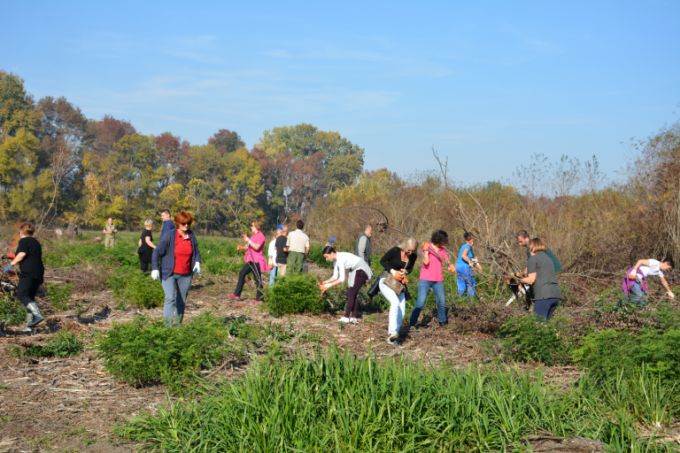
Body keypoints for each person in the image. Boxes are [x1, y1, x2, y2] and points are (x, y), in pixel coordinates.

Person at [151, 211, 201, 325]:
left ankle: (178, 327)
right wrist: (154, 268)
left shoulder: (191, 235)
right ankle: (167, 329)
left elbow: (196, 251)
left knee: (181, 301)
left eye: (188, 223)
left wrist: (197, 262)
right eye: (184, 223)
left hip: (186, 274)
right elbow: (157, 251)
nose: (186, 226)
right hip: (169, 273)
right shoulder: (170, 235)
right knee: (170, 298)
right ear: (178, 223)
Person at [3, 223, 45, 332]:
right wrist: (9, 256)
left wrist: (11, 264)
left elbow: (21, 254)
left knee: (22, 295)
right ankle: (29, 326)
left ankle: (37, 315)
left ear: (21, 232)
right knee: (30, 298)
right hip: (38, 272)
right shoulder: (36, 242)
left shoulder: (23, 241)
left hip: (28, 272)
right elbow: (28, 255)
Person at [379, 238, 418, 346]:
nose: (410, 253)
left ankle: (394, 338)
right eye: (408, 250)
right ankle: (392, 333)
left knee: (402, 310)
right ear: (405, 246)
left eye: (413, 251)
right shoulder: (395, 250)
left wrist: (406, 271)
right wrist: (393, 271)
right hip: (386, 281)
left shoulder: (413, 256)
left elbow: (410, 269)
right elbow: (382, 261)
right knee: (395, 303)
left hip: (399, 285)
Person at [410, 230, 453, 328]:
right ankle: (412, 322)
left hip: (438, 279)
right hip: (425, 279)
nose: (444, 242)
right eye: (443, 240)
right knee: (421, 302)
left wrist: (450, 265)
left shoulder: (442, 250)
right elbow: (426, 262)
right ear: (439, 239)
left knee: (441, 301)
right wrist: (425, 251)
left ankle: (442, 322)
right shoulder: (427, 246)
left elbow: (446, 260)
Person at [319, 246, 373, 323]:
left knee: (351, 293)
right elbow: (335, 276)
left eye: (327, 257)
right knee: (351, 293)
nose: (326, 259)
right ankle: (354, 317)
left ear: (332, 253)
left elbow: (341, 279)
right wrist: (325, 282)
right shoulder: (335, 261)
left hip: (361, 269)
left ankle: (346, 317)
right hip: (354, 270)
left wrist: (328, 286)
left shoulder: (340, 259)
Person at [519, 238, 561, 320]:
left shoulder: (533, 259)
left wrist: (520, 281)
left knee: (538, 325)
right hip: (555, 296)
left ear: (533, 247)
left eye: (530, 247)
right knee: (546, 327)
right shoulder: (549, 259)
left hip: (543, 296)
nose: (529, 249)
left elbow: (531, 280)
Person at [228, 221, 268, 302]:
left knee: (257, 279)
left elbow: (256, 247)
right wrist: (241, 248)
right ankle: (236, 295)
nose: (251, 227)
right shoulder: (253, 236)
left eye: (252, 226)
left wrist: (247, 239)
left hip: (256, 261)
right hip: (250, 260)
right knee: (242, 273)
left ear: (256, 227)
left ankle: (259, 299)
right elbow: (248, 246)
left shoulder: (261, 236)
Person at [455, 232, 481, 298]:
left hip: (458, 266)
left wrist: (478, 266)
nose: (473, 241)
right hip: (464, 267)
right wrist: (470, 262)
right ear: (469, 240)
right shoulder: (468, 246)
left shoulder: (463, 246)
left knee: (461, 284)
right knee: (471, 283)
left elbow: (472, 259)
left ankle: (460, 300)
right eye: (472, 240)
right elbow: (464, 256)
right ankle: (471, 301)